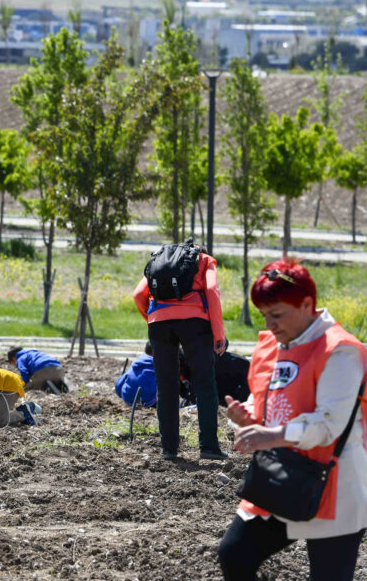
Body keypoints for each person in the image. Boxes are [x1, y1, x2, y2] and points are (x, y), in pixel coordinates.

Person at [218, 260, 367, 581]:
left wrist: (269, 437)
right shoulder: (273, 344)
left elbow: (328, 425)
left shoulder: (340, 351)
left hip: (334, 486)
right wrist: (244, 417)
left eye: (278, 314)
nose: (270, 324)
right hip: (280, 477)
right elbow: (265, 402)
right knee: (234, 554)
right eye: (264, 315)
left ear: (307, 305)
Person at [133, 240, 228, 461]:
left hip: (159, 323)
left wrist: (152, 319)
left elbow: (139, 294)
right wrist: (219, 334)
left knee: (166, 386)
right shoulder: (204, 261)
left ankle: (169, 449)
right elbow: (212, 291)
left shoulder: (159, 260)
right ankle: (209, 447)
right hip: (195, 323)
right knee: (204, 383)